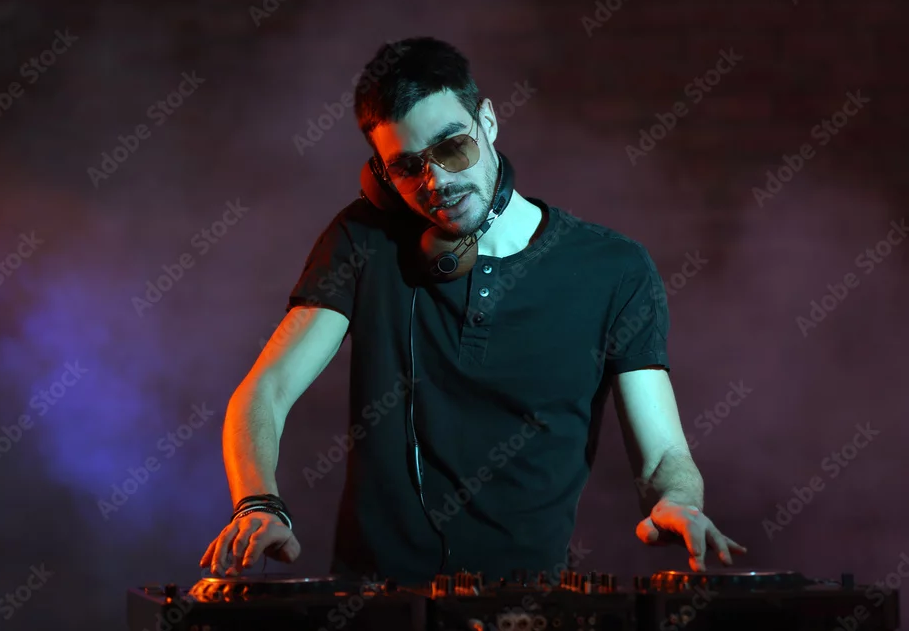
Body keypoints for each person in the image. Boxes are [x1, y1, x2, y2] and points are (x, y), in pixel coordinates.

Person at [200, 36, 746, 584]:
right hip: (376, 607)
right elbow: (265, 391)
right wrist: (257, 503)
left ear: (487, 121)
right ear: (382, 177)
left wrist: (678, 501)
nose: (437, 181)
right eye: (407, 167)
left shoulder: (614, 269)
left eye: (451, 147)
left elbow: (662, 455)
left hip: (531, 607)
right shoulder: (362, 241)